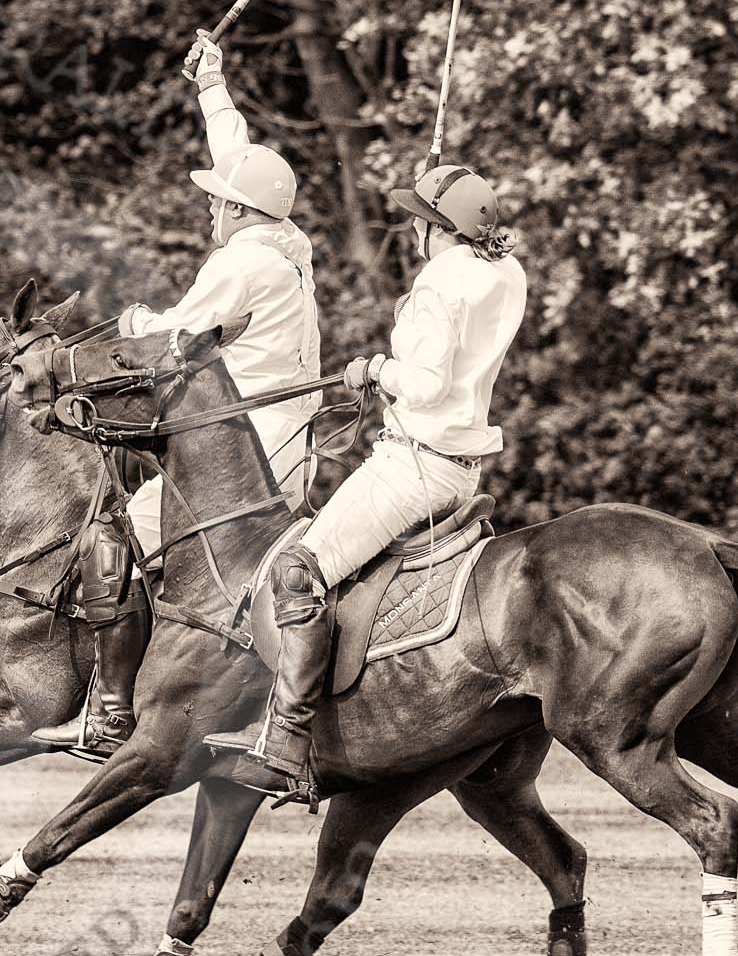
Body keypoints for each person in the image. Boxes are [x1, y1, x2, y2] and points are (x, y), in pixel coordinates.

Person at [34, 29, 324, 756]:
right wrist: (212, 85)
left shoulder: (242, 262)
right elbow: (242, 161)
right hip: (287, 442)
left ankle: (112, 712)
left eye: (218, 201)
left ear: (237, 212)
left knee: (115, 536)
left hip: (246, 450)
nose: (210, 209)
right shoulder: (287, 242)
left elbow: (169, 343)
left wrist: (132, 322)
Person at [205, 163, 527, 796]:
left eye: (419, 218)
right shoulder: (503, 272)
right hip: (462, 469)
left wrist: (378, 368)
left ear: (436, 229)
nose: (411, 225)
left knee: (299, 569)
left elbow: (428, 383)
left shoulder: (440, 281)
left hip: (414, 464)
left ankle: (286, 738)